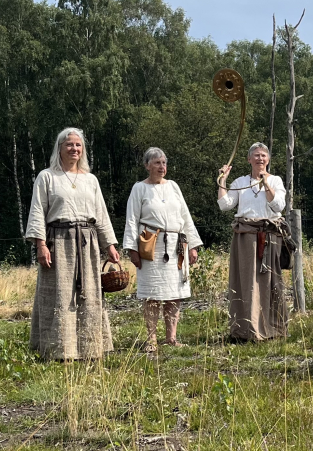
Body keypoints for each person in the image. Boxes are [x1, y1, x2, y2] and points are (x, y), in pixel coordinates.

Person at [25, 127, 121, 360]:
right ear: (59, 149)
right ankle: (58, 349)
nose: (74, 148)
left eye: (78, 145)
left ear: (83, 150)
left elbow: (101, 213)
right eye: (69, 144)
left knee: (89, 293)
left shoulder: (90, 180)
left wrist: (109, 245)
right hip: (58, 241)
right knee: (59, 294)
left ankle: (90, 348)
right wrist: (40, 245)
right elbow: (37, 212)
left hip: (87, 243)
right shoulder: (47, 177)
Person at [123, 148, 203, 352]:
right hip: (151, 244)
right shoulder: (139, 188)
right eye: (157, 163)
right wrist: (132, 249)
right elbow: (131, 219)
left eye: (164, 163)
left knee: (174, 293)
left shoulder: (174, 187)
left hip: (176, 244)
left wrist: (193, 245)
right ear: (147, 165)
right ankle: (151, 340)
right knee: (152, 295)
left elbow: (185, 216)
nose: (161, 167)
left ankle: (171, 338)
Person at [217, 142, 289, 341]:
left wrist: (266, 184)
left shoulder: (275, 180)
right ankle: (244, 330)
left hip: (270, 237)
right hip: (246, 238)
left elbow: (278, 207)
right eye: (256, 156)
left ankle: (272, 329)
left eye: (263, 156)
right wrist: (223, 179)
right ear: (249, 159)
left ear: (268, 160)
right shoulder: (240, 182)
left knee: (271, 282)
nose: (260, 159)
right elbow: (225, 205)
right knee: (246, 282)